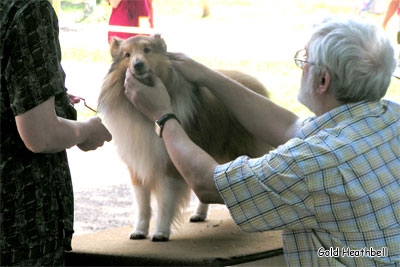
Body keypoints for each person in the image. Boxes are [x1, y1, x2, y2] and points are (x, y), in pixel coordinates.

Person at [124, 17, 400, 266]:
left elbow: (208, 183)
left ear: (323, 80)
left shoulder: (312, 160)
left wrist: (163, 117)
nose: (301, 67)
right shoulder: (390, 117)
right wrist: (207, 76)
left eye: (305, 61)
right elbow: (290, 127)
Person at [0, 0, 112, 265]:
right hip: (19, 235)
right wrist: (86, 130)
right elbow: (41, 135)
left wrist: (47, 97)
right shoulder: (28, 8)